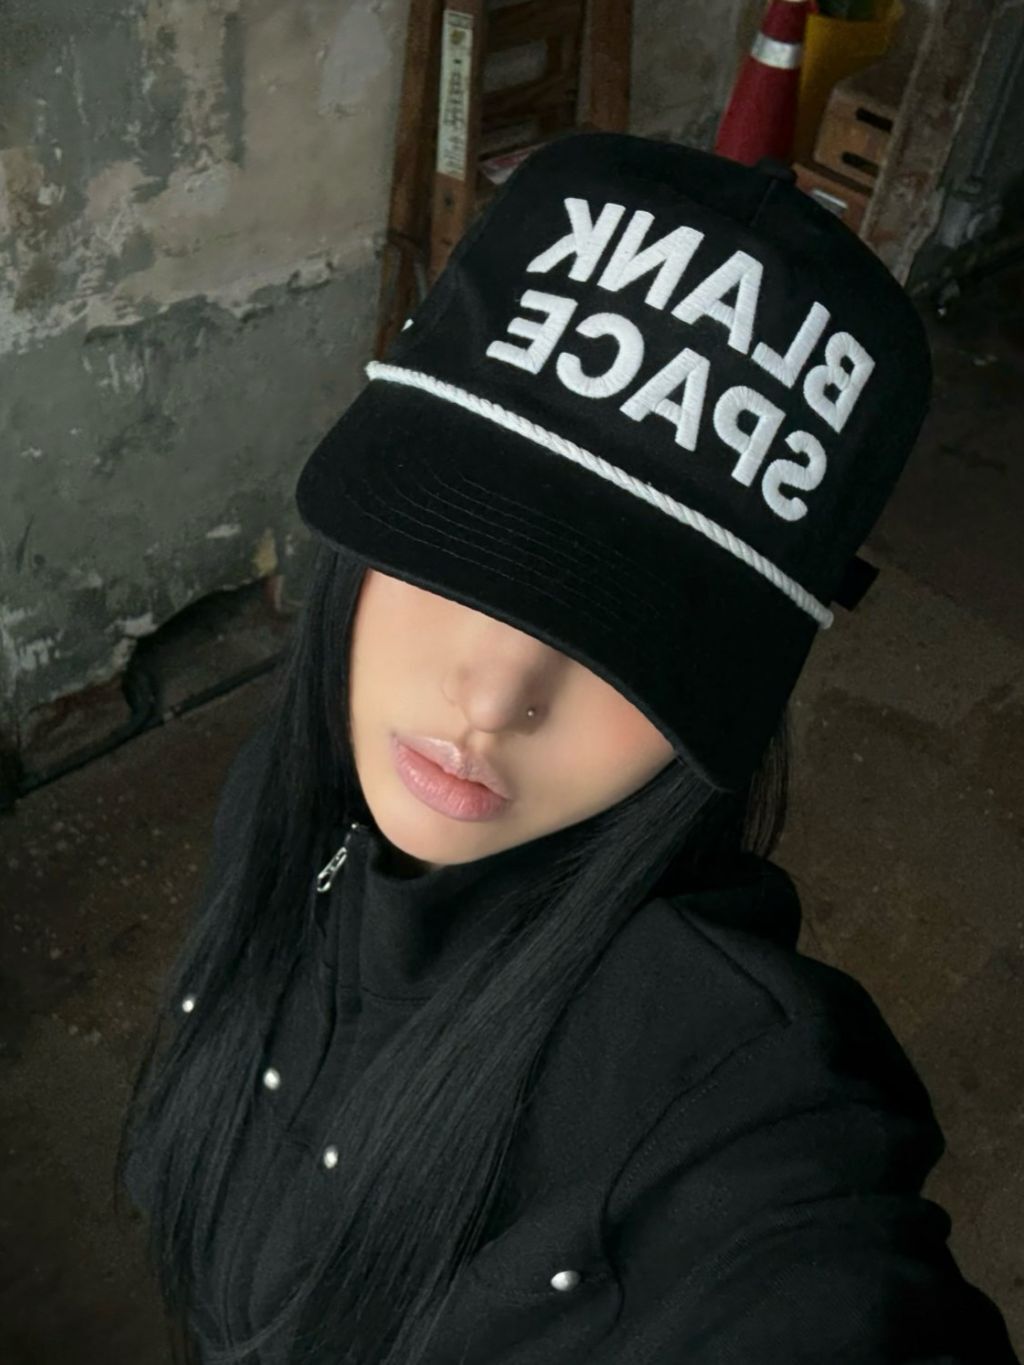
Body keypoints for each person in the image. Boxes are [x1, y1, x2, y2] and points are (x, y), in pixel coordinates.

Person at [116, 132, 1021, 1365]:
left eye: (623, 632)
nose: (494, 695)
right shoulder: (285, 807)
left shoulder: (733, 1110)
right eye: (457, 547)